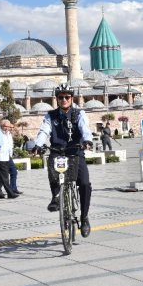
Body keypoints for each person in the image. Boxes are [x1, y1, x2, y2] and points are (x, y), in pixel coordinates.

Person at [33, 84, 94, 238]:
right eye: (61, 97)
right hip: (57, 151)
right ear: (57, 99)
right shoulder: (50, 116)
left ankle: (84, 217)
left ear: (71, 98)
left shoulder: (79, 113)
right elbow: (44, 131)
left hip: (75, 152)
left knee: (85, 184)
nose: (64, 100)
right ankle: (56, 197)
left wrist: (87, 140)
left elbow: (85, 128)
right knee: (52, 170)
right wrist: (38, 145)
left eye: (67, 97)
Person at [0, 119, 19, 199]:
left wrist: (11, 154)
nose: (8, 128)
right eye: (6, 126)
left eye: (9, 126)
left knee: (2, 176)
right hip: (0, 157)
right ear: (2, 126)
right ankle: (10, 193)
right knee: (5, 176)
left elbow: (9, 145)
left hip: (7, 157)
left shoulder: (8, 134)